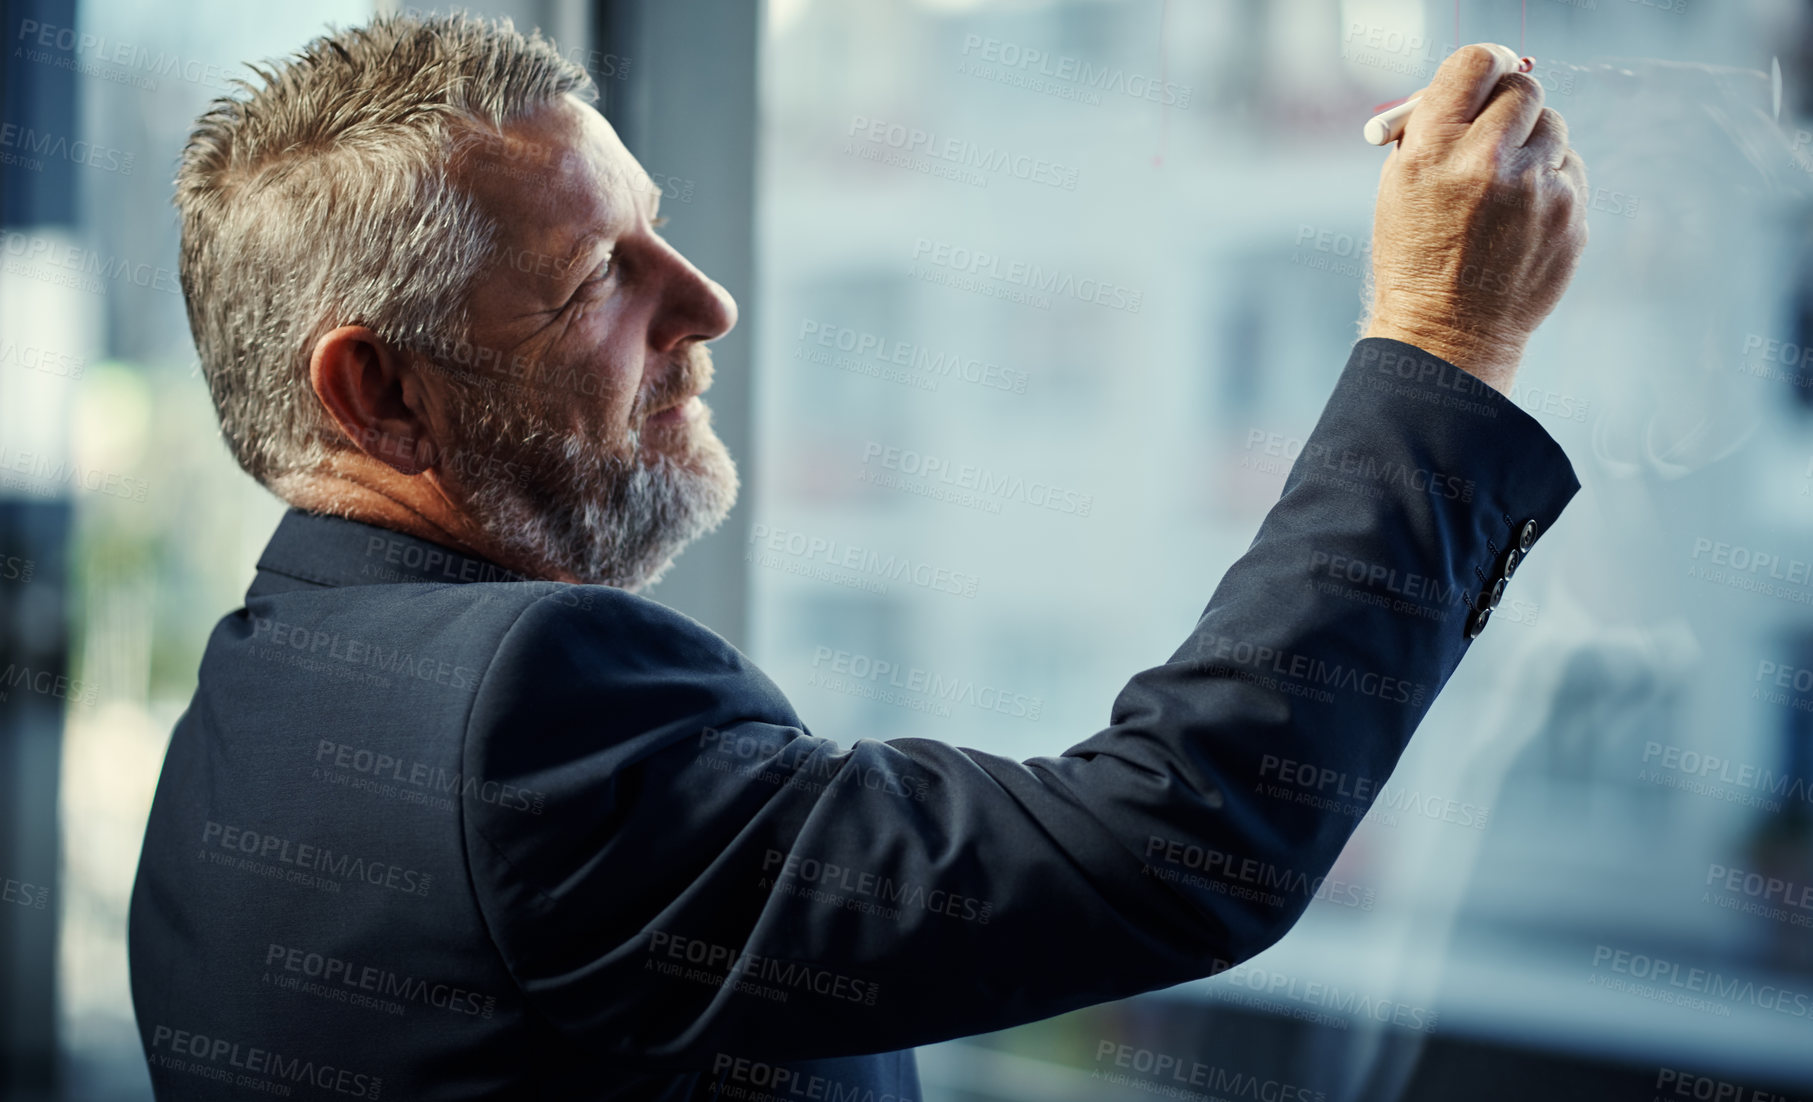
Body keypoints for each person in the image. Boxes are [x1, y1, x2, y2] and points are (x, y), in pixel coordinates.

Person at [128, 12, 1586, 1100]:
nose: (703, 304)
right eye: (597, 279)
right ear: (376, 391)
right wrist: (1440, 344)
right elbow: (1167, 847)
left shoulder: (248, 705)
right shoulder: (521, 709)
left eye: (661, 234)